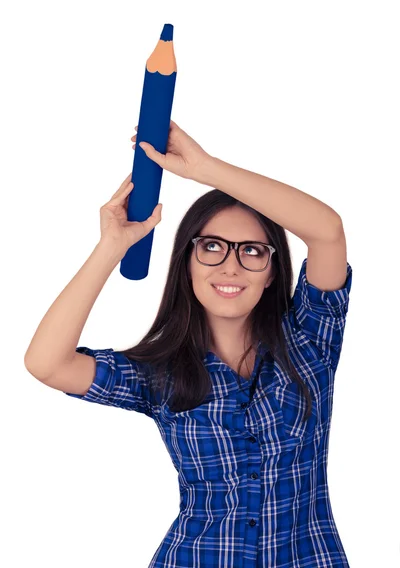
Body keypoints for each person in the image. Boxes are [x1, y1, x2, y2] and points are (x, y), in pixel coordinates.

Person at [24, 120, 353, 567]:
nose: (230, 267)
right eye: (212, 247)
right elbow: (46, 363)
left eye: (252, 251)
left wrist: (204, 168)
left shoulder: (311, 341)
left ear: (273, 271)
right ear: (188, 263)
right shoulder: (159, 373)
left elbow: (327, 231)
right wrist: (112, 247)